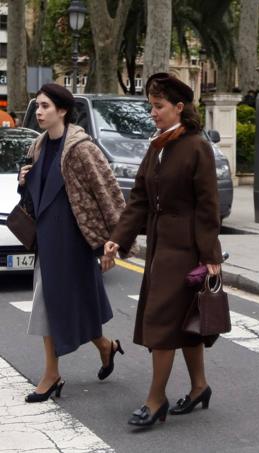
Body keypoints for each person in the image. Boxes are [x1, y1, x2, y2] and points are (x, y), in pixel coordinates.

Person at [105, 73, 224, 426]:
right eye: (151, 106)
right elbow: (139, 198)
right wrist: (118, 237)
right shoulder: (158, 145)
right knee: (186, 322)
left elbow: (208, 206)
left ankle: (156, 400)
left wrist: (211, 257)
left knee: (160, 322)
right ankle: (199, 386)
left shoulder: (196, 146)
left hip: (185, 247)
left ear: (179, 107)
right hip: (160, 244)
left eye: (158, 106)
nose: (152, 113)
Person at [17, 83, 125, 403]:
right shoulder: (38, 146)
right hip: (47, 239)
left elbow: (108, 192)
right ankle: (69, 365)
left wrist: (115, 240)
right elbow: (35, 198)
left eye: (46, 106)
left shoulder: (81, 147)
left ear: (62, 111)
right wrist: (26, 180)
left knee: (71, 304)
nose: (39, 111)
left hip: (74, 241)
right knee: (52, 303)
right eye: (37, 106)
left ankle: (63, 370)